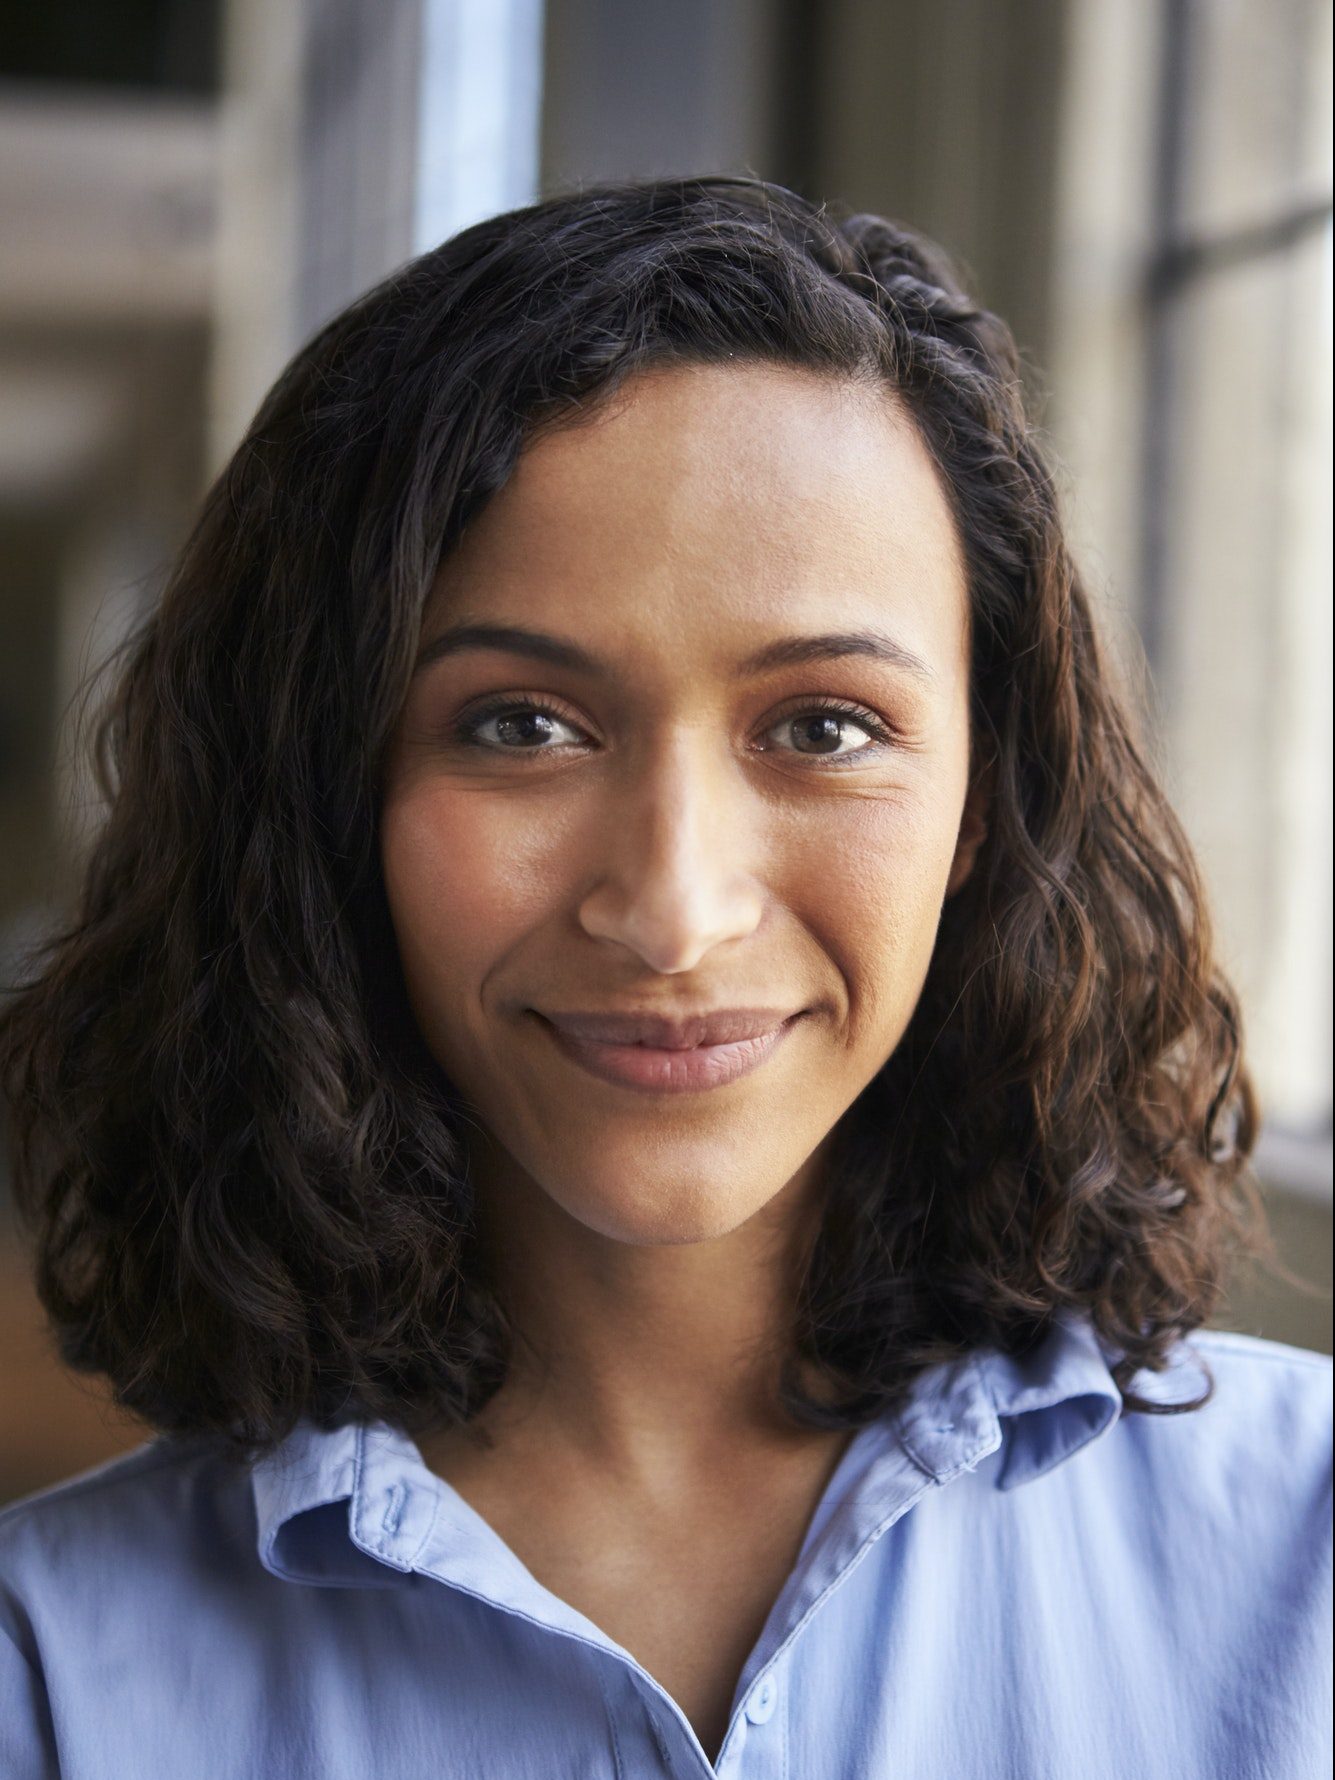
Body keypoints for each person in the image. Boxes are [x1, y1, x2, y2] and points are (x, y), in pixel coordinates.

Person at [0, 175, 1329, 1780]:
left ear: (988, 804)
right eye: (519, 727)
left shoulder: (1307, 1556)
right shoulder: (51, 1674)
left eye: (825, 727)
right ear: (325, 800)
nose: (674, 911)